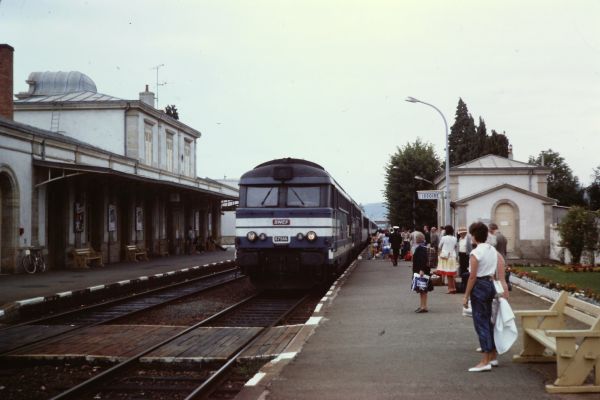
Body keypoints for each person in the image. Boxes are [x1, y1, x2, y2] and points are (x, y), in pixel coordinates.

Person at [462, 222, 509, 372]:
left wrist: (465, 296)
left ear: (474, 235)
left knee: (480, 322)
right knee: (488, 321)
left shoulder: (475, 253)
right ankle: (493, 356)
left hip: (480, 286)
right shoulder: (491, 249)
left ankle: (485, 360)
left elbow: (472, 277)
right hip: (490, 284)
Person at [412, 232, 433, 313]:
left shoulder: (420, 248)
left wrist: (421, 270)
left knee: (422, 290)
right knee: (423, 290)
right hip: (423, 271)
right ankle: (423, 306)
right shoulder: (423, 247)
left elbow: (422, 260)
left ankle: (423, 306)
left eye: (416, 238)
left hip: (421, 271)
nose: (415, 239)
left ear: (418, 239)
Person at [489, 222, 511, 290]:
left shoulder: (495, 237)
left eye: (489, 229)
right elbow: (504, 249)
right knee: (503, 275)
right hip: (503, 256)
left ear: (491, 229)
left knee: (498, 276)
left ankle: (498, 289)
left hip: (497, 258)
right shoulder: (503, 237)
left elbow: (493, 249)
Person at [437, 225, 458, 293]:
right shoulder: (455, 238)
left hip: (446, 257)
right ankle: (453, 288)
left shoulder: (444, 238)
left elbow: (439, 246)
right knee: (451, 274)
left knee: (448, 274)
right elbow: (455, 247)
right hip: (453, 256)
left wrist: (440, 253)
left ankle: (450, 289)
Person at [456, 227, 472, 293]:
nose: (461, 234)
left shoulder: (468, 239)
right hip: (461, 255)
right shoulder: (459, 239)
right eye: (460, 233)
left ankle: (466, 284)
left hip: (466, 255)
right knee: (462, 269)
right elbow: (458, 247)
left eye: (462, 233)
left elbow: (470, 248)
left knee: (466, 270)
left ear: (465, 233)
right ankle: (463, 284)